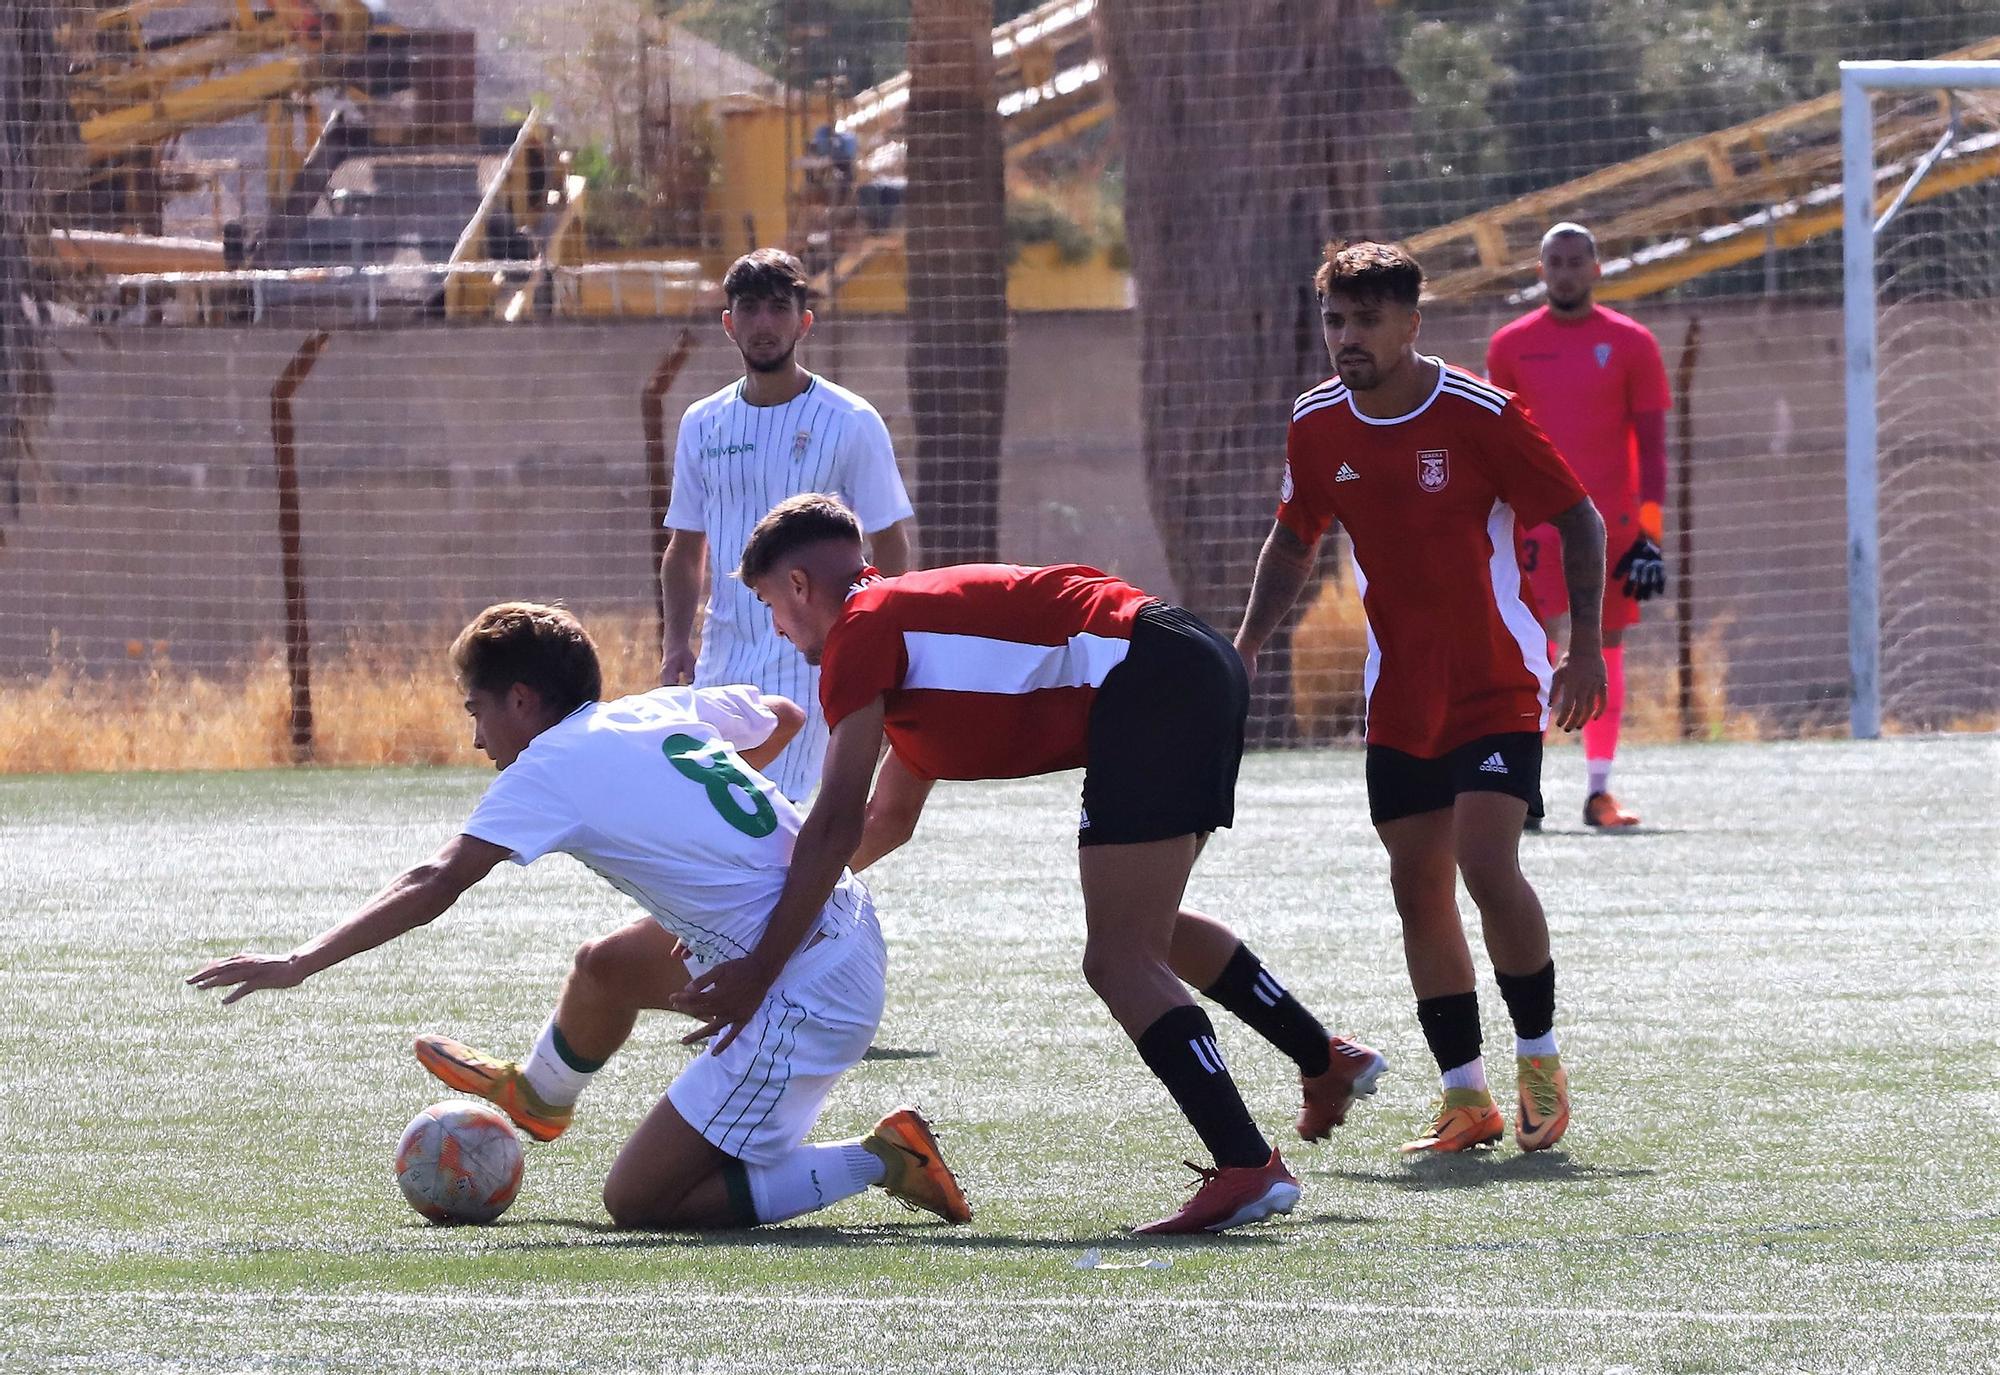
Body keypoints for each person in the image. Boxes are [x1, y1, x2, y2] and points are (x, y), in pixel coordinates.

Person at [667, 493, 1389, 1236]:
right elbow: (885, 820)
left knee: (1118, 957)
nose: (777, 630)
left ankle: (1246, 1165)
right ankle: (1322, 1055)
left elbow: (836, 818)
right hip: (1185, 664)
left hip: (1153, 681)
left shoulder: (861, 627)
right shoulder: (900, 624)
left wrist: (759, 958)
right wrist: (766, 914)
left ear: (797, 586)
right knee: (1145, 930)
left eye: (768, 605)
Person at [187, 602, 968, 1232]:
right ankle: (541, 1094)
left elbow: (435, 880)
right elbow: (780, 715)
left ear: (522, 700)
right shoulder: (646, 712)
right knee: (605, 966)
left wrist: (299, 961)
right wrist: (699, 835)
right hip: (834, 929)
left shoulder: (548, 764)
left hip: (809, 984)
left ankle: (883, 1156)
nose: (475, 734)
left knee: (640, 1201)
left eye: (478, 710)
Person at [1234, 241, 1607, 1157]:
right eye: (1334, 320)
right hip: (1399, 693)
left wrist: (1587, 648)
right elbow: (1292, 542)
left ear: (1411, 322)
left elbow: (1579, 517)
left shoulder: (1479, 412)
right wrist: (1243, 648)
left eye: (1366, 320)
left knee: (1486, 864)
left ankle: (1541, 1062)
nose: (1346, 338)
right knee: (1417, 888)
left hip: (1497, 679)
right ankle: (1465, 1095)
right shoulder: (1317, 422)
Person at [661, 247, 917, 803]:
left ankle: (822, 894)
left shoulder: (850, 419)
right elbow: (686, 546)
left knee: (784, 813)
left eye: (779, 307)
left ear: (804, 321)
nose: (763, 323)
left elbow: (889, 539)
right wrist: (676, 641)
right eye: (748, 309)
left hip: (816, 653)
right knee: (710, 808)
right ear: (729, 325)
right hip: (724, 654)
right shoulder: (702, 423)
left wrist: (889, 642)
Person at [1486, 222, 1672, 829]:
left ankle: (1598, 790)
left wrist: (1650, 534)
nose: (1565, 272)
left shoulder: (1632, 342)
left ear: (1596, 268)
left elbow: (1652, 448)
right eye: (1554, 262)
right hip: (1535, 525)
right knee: (1527, 652)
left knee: (1605, 650)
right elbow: (1499, 444)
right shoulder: (1510, 345)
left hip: (1612, 526)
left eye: (1576, 261)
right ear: (1540, 271)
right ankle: (1525, 792)